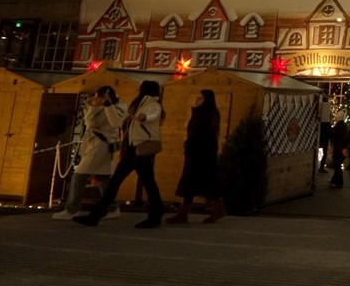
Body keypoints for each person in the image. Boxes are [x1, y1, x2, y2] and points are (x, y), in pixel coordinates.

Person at [74, 80, 165, 229]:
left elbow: (153, 115)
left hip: (141, 148)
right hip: (131, 149)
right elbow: (117, 123)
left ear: (144, 90)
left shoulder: (152, 105)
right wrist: (108, 105)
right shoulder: (136, 106)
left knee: (145, 183)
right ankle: (97, 214)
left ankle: (155, 213)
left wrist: (144, 117)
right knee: (118, 182)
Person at [53, 86, 125, 220]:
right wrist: (92, 106)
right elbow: (90, 122)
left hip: (102, 144)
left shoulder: (119, 106)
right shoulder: (97, 104)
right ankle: (113, 207)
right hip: (94, 142)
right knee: (103, 178)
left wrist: (100, 105)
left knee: (79, 176)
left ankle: (72, 209)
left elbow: (103, 123)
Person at [166, 89, 224, 224]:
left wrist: (191, 146)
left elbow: (201, 133)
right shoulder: (203, 113)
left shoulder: (206, 114)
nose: (197, 100)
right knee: (192, 183)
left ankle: (216, 209)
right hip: (198, 152)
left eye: (201, 98)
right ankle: (184, 212)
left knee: (201, 182)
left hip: (201, 153)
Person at [327, 110, 347, 189]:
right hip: (341, 148)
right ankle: (335, 180)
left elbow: (333, 137)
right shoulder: (344, 126)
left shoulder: (338, 126)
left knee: (337, 165)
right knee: (337, 166)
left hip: (338, 148)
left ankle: (338, 182)